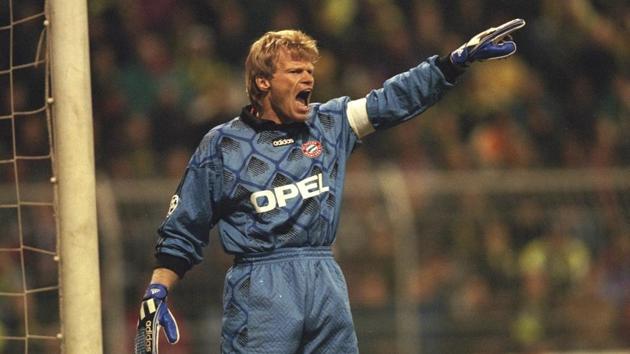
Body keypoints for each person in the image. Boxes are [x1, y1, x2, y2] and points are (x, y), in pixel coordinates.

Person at [135, 19, 526, 354]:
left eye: (310, 70)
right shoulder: (222, 146)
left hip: (325, 279)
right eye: (295, 71)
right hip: (261, 286)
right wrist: (157, 293)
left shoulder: (330, 122)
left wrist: (451, 64)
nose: (308, 77)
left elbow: (393, 99)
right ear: (262, 81)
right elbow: (184, 228)